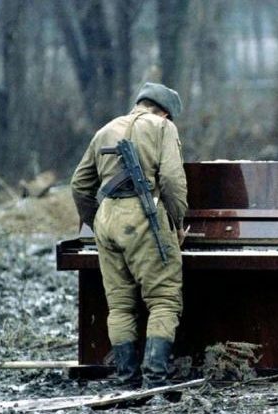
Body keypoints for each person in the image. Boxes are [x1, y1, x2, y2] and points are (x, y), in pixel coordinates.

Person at [70, 82, 187, 389]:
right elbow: (172, 181)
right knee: (163, 300)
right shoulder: (163, 128)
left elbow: (79, 186)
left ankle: (126, 380)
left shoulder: (105, 130)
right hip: (145, 216)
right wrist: (175, 224)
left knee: (120, 306)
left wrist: (96, 223)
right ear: (165, 111)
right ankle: (155, 379)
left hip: (107, 220)